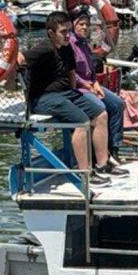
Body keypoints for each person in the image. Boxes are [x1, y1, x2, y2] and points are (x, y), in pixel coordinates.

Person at [20, 11, 120, 181]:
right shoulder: (44, 49)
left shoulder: (66, 48)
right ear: (51, 33)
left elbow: (72, 73)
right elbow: (19, 58)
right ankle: (85, 174)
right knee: (82, 122)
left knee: (100, 114)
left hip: (65, 93)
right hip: (44, 97)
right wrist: (10, 78)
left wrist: (76, 95)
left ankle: (102, 165)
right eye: (63, 32)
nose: (67, 35)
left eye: (69, 30)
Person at [68, 11, 126, 164]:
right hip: (79, 89)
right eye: (81, 24)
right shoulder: (70, 45)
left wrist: (95, 83)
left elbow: (91, 71)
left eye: (87, 25)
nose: (85, 27)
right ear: (73, 25)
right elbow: (71, 73)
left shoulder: (85, 45)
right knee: (100, 108)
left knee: (117, 104)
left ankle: (114, 148)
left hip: (91, 85)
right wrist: (87, 85)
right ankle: (99, 156)